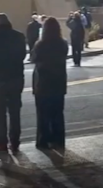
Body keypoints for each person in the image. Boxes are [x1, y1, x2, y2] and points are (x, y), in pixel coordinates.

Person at [0, 13, 27, 153]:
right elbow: (23, 55)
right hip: (16, 77)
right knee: (14, 111)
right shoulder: (19, 36)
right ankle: (15, 142)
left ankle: (1, 143)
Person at [31, 17, 69, 151]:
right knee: (58, 113)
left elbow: (33, 59)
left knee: (43, 114)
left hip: (43, 83)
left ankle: (43, 140)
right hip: (58, 83)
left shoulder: (40, 45)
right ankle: (58, 139)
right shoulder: (63, 44)